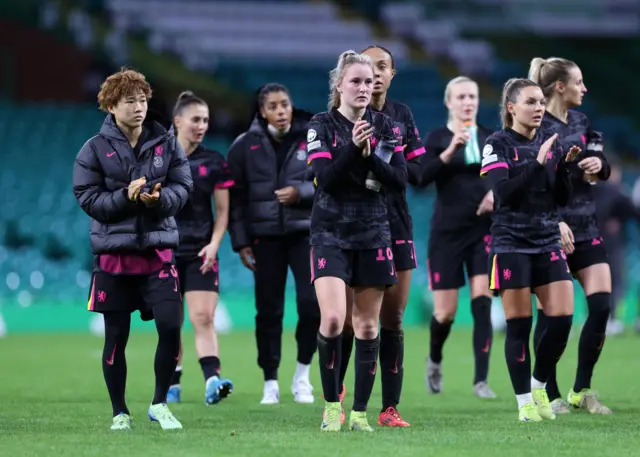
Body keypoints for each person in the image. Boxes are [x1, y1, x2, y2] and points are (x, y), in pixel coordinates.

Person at [73, 68, 192, 430]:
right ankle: (120, 412)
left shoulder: (167, 143)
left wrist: (158, 201)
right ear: (110, 106)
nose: (139, 107)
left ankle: (159, 403)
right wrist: (125, 198)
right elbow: (87, 198)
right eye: (130, 101)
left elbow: (183, 187)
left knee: (171, 326)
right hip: (115, 258)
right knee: (116, 338)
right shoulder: (93, 149)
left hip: (158, 254)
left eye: (142, 99)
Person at [307, 49, 407, 432]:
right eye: (356, 81)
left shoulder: (387, 127)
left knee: (367, 326)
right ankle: (334, 405)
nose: (364, 87)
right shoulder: (320, 125)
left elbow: (398, 181)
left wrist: (367, 158)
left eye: (368, 81)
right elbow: (325, 178)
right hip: (330, 232)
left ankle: (362, 413)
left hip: (373, 232)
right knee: (333, 319)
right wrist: (354, 149)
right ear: (339, 86)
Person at [333, 45, 423, 428]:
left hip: (396, 226)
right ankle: (336, 395)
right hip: (354, 228)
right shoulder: (337, 119)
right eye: (368, 70)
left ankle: (389, 407)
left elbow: (415, 173)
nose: (376, 76)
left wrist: (388, 163)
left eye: (382, 68)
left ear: (392, 73)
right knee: (353, 321)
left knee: (394, 318)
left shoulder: (401, 117)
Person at [480, 77, 578, 422]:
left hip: (546, 239)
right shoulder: (498, 143)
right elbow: (502, 194)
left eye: (541, 102)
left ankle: (539, 383)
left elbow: (562, 199)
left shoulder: (552, 144)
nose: (539, 108)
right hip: (511, 243)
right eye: (531, 102)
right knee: (519, 325)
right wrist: (536, 164)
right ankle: (524, 402)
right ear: (511, 108)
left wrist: (564, 171)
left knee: (563, 318)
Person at [528, 57, 613, 415]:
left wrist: (599, 167)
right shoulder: (535, 122)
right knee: (552, 316)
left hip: (586, 225)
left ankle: (582, 389)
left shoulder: (581, 121)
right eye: (579, 82)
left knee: (601, 305)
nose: (585, 88)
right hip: (549, 229)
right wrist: (552, 220)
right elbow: (530, 180)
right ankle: (548, 391)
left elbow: (599, 164)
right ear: (559, 86)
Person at [227, 83, 320, 405]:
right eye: (274, 106)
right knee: (268, 311)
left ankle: (303, 375)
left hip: (305, 233)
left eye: (286, 104)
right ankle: (270, 380)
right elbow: (235, 200)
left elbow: (329, 182)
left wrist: (301, 193)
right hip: (264, 238)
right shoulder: (243, 146)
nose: (281, 111)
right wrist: (240, 242)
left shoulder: (313, 137)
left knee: (312, 304)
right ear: (262, 111)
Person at [420, 76, 496, 398]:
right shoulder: (437, 138)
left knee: (482, 302)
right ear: (448, 102)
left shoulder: (492, 138)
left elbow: (505, 175)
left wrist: (496, 193)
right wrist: (451, 151)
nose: (468, 102)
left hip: (483, 231)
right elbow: (420, 177)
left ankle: (481, 380)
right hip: (447, 234)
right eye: (461, 96)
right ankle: (434, 359)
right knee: (445, 314)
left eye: (473, 96)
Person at [166, 91, 234, 405]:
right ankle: (172, 383)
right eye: (196, 119)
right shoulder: (157, 157)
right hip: (164, 250)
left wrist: (214, 244)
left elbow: (222, 212)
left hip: (200, 252)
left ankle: (212, 382)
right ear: (177, 120)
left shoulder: (214, 161)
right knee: (170, 320)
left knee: (203, 317)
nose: (202, 125)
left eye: (205, 120)